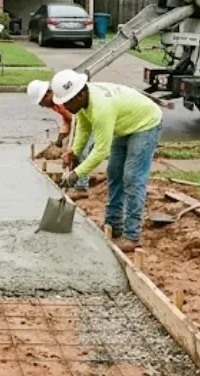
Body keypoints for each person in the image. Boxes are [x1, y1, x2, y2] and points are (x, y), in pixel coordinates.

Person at [51, 70, 163, 253]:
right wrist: (74, 151)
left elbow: (100, 151)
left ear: (78, 95)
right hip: (124, 125)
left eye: (66, 102)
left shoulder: (101, 107)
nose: (64, 107)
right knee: (114, 172)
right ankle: (113, 224)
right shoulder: (83, 104)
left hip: (146, 124)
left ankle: (132, 235)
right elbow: (84, 129)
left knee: (132, 177)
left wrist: (76, 174)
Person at [27, 79, 92, 198]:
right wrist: (60, 139)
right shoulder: (55, 105)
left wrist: (73, 143)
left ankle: (81, 187)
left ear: (48, 94)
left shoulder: (62, 100)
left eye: (41, 102)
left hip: (89, 123)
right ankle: (73, 183)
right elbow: (67, 119)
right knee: (73, 153)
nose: (42, 106)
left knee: (80, 153)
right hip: (81, 124)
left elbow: (77, 120)